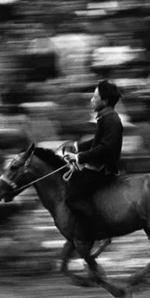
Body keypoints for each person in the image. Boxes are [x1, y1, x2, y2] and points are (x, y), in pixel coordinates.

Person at [60, 79, 123, 224]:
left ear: (105, 101)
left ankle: (97, 228)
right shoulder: (106, 118)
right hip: (99, 167)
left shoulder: (111, 120)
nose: (91, 100)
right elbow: (97, 141)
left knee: (72, 197)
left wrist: (78, 157)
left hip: (103, 170)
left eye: (95, 97)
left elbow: (106, 148)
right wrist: (77, 147)